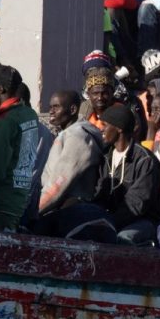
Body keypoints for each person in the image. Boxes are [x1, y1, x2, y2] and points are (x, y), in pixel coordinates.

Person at [0, 64, 46, 230]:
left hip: (0, 202)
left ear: (0, 89)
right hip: (19, 199)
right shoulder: (28, 114)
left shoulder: (6, 121)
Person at [81, 103, 160, 244]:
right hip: (110, 217)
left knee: (123, 239)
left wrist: (107, 223)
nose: (102, 129)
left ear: (119, 128)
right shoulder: (105, 155)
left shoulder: (145, 161)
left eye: (105, 125)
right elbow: (99, 194)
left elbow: (136, 205)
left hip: (142, 221)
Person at [35, 89, 105, 235]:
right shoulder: (68, 133)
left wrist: (34, 212)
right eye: (50, 107)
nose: (51, 111)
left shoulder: (77, 136)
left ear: (72, 109)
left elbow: (60, 183)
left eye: (56, 107)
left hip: (67, 211)